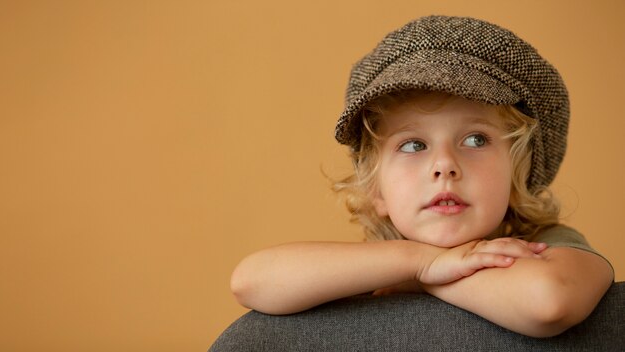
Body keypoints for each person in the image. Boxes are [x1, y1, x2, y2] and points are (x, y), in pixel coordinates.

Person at [229, 15, 614, 338]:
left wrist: (425, 278)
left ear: (518, 176)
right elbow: (251, 281)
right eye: (413, 145)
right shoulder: (375, 266)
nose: (444, 165)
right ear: (376, 189)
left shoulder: (542, 248)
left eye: (476, 139)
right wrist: (419, 262)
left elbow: (549, 302)